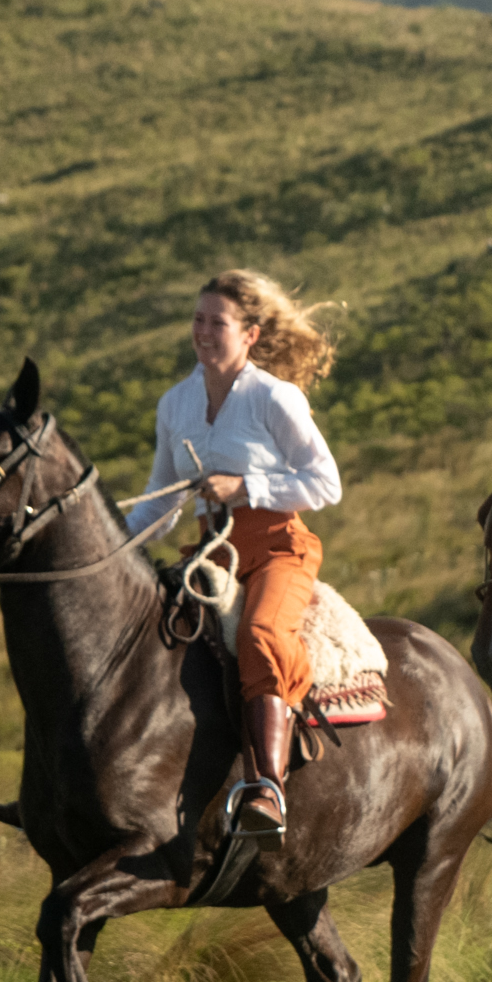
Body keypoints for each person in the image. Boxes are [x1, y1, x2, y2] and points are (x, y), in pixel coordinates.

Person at [127, 269, 343, 844]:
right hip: (210, 553)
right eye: (197, 320)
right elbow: (162, 501)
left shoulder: (275, 397)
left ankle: (266, 787)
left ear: (249, 334)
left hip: (278, 547)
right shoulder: (174, 404)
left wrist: (245, 488)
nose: (202, 331)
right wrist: (111, 545)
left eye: (215, 322)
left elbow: (325, 484)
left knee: (259, 635)